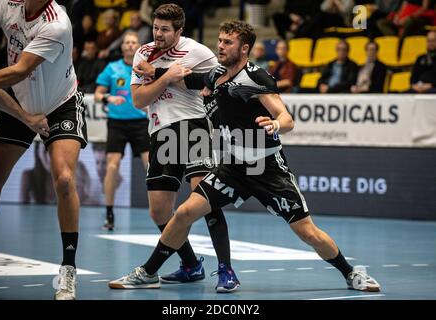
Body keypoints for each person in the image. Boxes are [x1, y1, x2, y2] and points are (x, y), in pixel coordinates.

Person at [109, 19, 382, 293]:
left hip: (266, 170)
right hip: (233, 168)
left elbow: (286, 117)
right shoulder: (215, 75)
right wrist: (154, 71)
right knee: (183, 213)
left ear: (244, 48)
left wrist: (276, 125)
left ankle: (350, 273)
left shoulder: (256, 77)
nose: (220, 46)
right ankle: (148, 272)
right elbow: (185, 80)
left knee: (307, 232)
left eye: (228, 42)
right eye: (220, 40)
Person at [108, 3, 236, 292]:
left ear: (179, 30)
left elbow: (221, 76)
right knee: (158, 211)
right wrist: (165, 77)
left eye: (165, 30)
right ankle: (191, 265)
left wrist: (199, 83)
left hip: (192, 127)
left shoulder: (198, 51)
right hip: (160, 131)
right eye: (155, 28)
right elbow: (139, 100)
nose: (158, 34)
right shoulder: (143, 53)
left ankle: (226, 270)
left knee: (205, 199)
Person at [0, 0, 88, 300]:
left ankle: (68, 270)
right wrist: (25, 117)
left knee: (65, 179)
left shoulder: (57, 23)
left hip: (60, 104)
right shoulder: (4, 6)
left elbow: (19, 70)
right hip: (19, 104)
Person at [94, 31, 150, 230]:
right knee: (112, 166)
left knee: (151, 167)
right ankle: (109, 214)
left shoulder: (146, 68)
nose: (129, 45)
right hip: (117, 123)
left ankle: (162, 210)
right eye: (126, 42)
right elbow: (98, 94)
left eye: (133, 42)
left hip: (140, 123)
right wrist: (109, 98)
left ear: (138, 46)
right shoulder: (112, 68)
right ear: (122, 46)